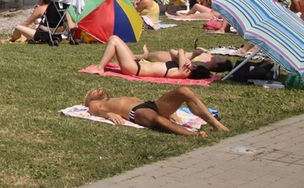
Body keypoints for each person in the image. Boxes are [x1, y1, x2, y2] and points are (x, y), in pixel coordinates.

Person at [84, 87, 228, 136]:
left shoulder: (117, 98)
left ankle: (215, 124)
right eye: (93, 91)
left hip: (150, 105)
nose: (96, 89)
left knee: (184, 91)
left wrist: (169, 111)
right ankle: (193, 135)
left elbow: (143, 102)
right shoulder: (96, 103)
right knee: (158, 120)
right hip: (136, 112)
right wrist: (108, 114)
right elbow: (95, 111)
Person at [84, 35, 211, 79]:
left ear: (195, 69)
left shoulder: (184, 72)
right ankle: (102, 65)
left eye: (195, 65)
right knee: (114, 38)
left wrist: (185, 58)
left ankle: (100, 68)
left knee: (114, 41)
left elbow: (181, 50)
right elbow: (173, 51)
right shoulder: (182, 68)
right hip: (136, 64)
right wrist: (183, 57)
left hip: (134, 69)